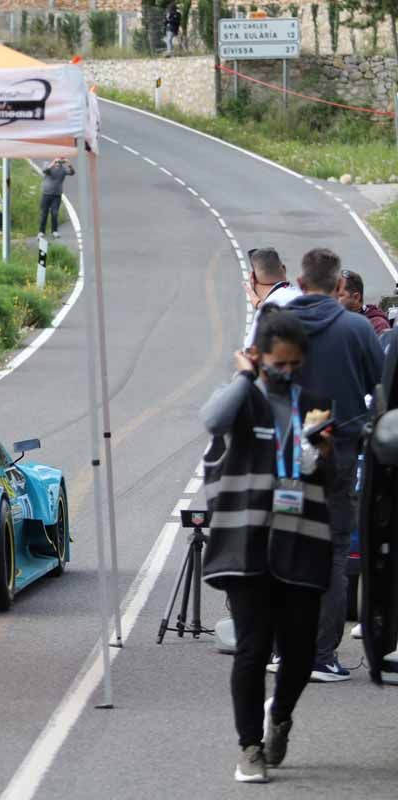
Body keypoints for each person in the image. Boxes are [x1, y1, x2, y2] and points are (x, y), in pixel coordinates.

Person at [202, 305, 335, 784]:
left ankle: (279, 715)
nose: (288, 371)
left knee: (299, 653)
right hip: (247, 540)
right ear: (257, 354)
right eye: (280, 362)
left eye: (296, 364)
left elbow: (329, 476)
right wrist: (243, 378)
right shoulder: (241, 399)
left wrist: (321, 455)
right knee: (252, 650)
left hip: (301, 540)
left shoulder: (315, 402)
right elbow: (212, 422)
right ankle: (249, 748)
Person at [287, 248, 384, 682]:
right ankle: (322, 655)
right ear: (337, 287)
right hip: (339, 453)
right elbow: (379, 388)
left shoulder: (277, 326)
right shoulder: (357, 328)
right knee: (334, 552)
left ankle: (283, 649)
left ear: (302, 283)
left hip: (288, 458)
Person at [243, 247, 302, 348]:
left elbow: (249, 351)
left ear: (252, 278)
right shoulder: (302, 295)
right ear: (284, 269)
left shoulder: (265, 313)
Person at [338, 268, 391, 335]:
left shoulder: (377, 325)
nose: (332, 299)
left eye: (339, 295)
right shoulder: (332, 320)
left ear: (356, 297)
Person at [39, 158, 74, 239]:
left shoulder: (63, 169)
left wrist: (69, 163)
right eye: (57, 162)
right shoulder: (49, 167)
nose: (58, 163)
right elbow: (44, 171)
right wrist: (53, 163)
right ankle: (41, 231)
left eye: (60, 162)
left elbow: (72, 173)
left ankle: (54, 231)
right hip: (46, 194)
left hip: (56, 195)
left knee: (54, 214)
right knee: (44, 214)